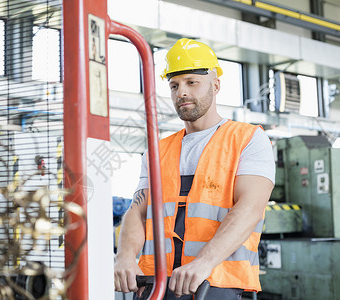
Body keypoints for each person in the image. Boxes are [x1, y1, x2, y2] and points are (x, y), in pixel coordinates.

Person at [114, 38, 275, 300]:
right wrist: (124, 257)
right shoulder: (157, 150)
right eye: (174, 85)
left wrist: (203, 262)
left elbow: (251, 208)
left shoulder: (248, 139)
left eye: (192, 82)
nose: (182, 92)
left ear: (216, 85)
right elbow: (137, 210)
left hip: (218, 285)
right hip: (156, 285)